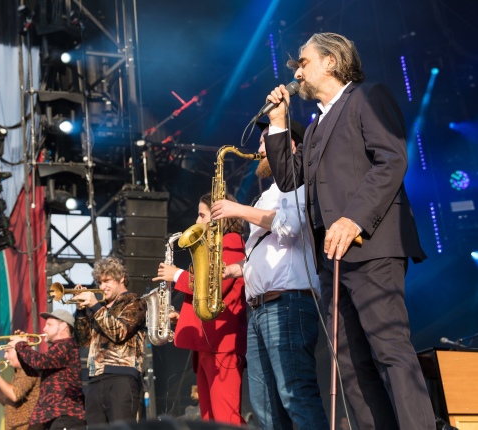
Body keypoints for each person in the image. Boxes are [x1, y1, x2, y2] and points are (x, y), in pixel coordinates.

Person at [262, 32, 434, 429]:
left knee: (390, 351)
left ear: (331, 62)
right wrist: (277, 124)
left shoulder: (368, 97)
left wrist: (354, 216)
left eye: (303, 62)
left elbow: (392, 160)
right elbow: (289, 179)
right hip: (333, 256)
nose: (297, 71)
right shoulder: (317, 123)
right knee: (350, 364)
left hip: (371, 246)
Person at [210, 121, 329, 429]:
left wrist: (238, 211)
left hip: (287, 304)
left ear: (288, 147)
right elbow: (271, 247)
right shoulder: (268, 194)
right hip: (261, 309)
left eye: (266, 142)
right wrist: (238, 268)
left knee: (296, 396)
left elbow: (289, 228)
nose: (260, 149)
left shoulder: (298, 183)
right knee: (265, 407)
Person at [153, 193, 247, 425]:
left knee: (226, 419)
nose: (197, 221)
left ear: (218, 217)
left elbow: (216, 287)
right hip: (208, 345)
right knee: (210, 420)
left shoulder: (232, 240)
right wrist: (182, 316)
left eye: (202, 215)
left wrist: (176, 274)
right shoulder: (216, 245)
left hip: (222, 346)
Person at [72, 256, 147, 425]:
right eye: (99, 282)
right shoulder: (99, 308)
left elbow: (119, 332)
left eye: (107, 281)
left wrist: (95, 306)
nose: (102, 287)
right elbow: (82, 342)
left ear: (121, 278)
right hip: (95, 379)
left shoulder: (135, 301)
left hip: (122, 377)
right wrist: (81, 312)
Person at [11, 309, 86, 430]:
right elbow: (32, 371)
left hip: (65, 414)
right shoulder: (56, 348)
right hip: (50, 416)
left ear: (63, 327)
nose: (44, 329)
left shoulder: (66, 345)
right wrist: (21, 350)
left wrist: (22, 345)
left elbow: (39, 362)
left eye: (49, 325)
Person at [0, 344, 42, 430]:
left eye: (7, 351)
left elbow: (15, 395)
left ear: (19, 352)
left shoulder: (29, 369)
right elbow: (5, 401)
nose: (5, 356)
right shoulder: (18, 374)